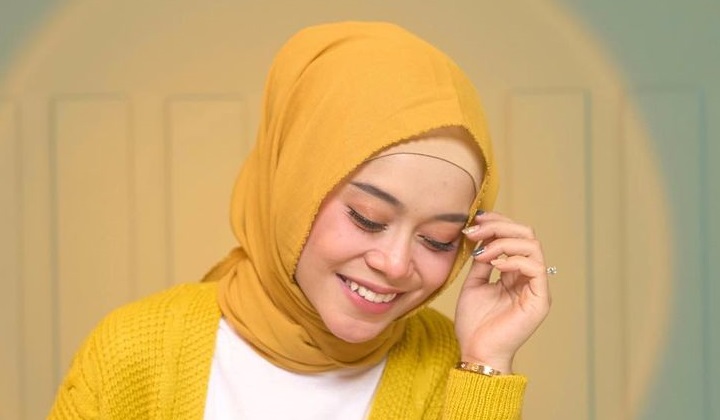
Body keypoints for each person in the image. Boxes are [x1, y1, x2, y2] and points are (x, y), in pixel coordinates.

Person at [49, 21, 552, 419]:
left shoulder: (454, 364)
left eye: (439, 240)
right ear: (292, 189)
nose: (396, 264)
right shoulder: (133, 353)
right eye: (368, 218)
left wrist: (484, 367)